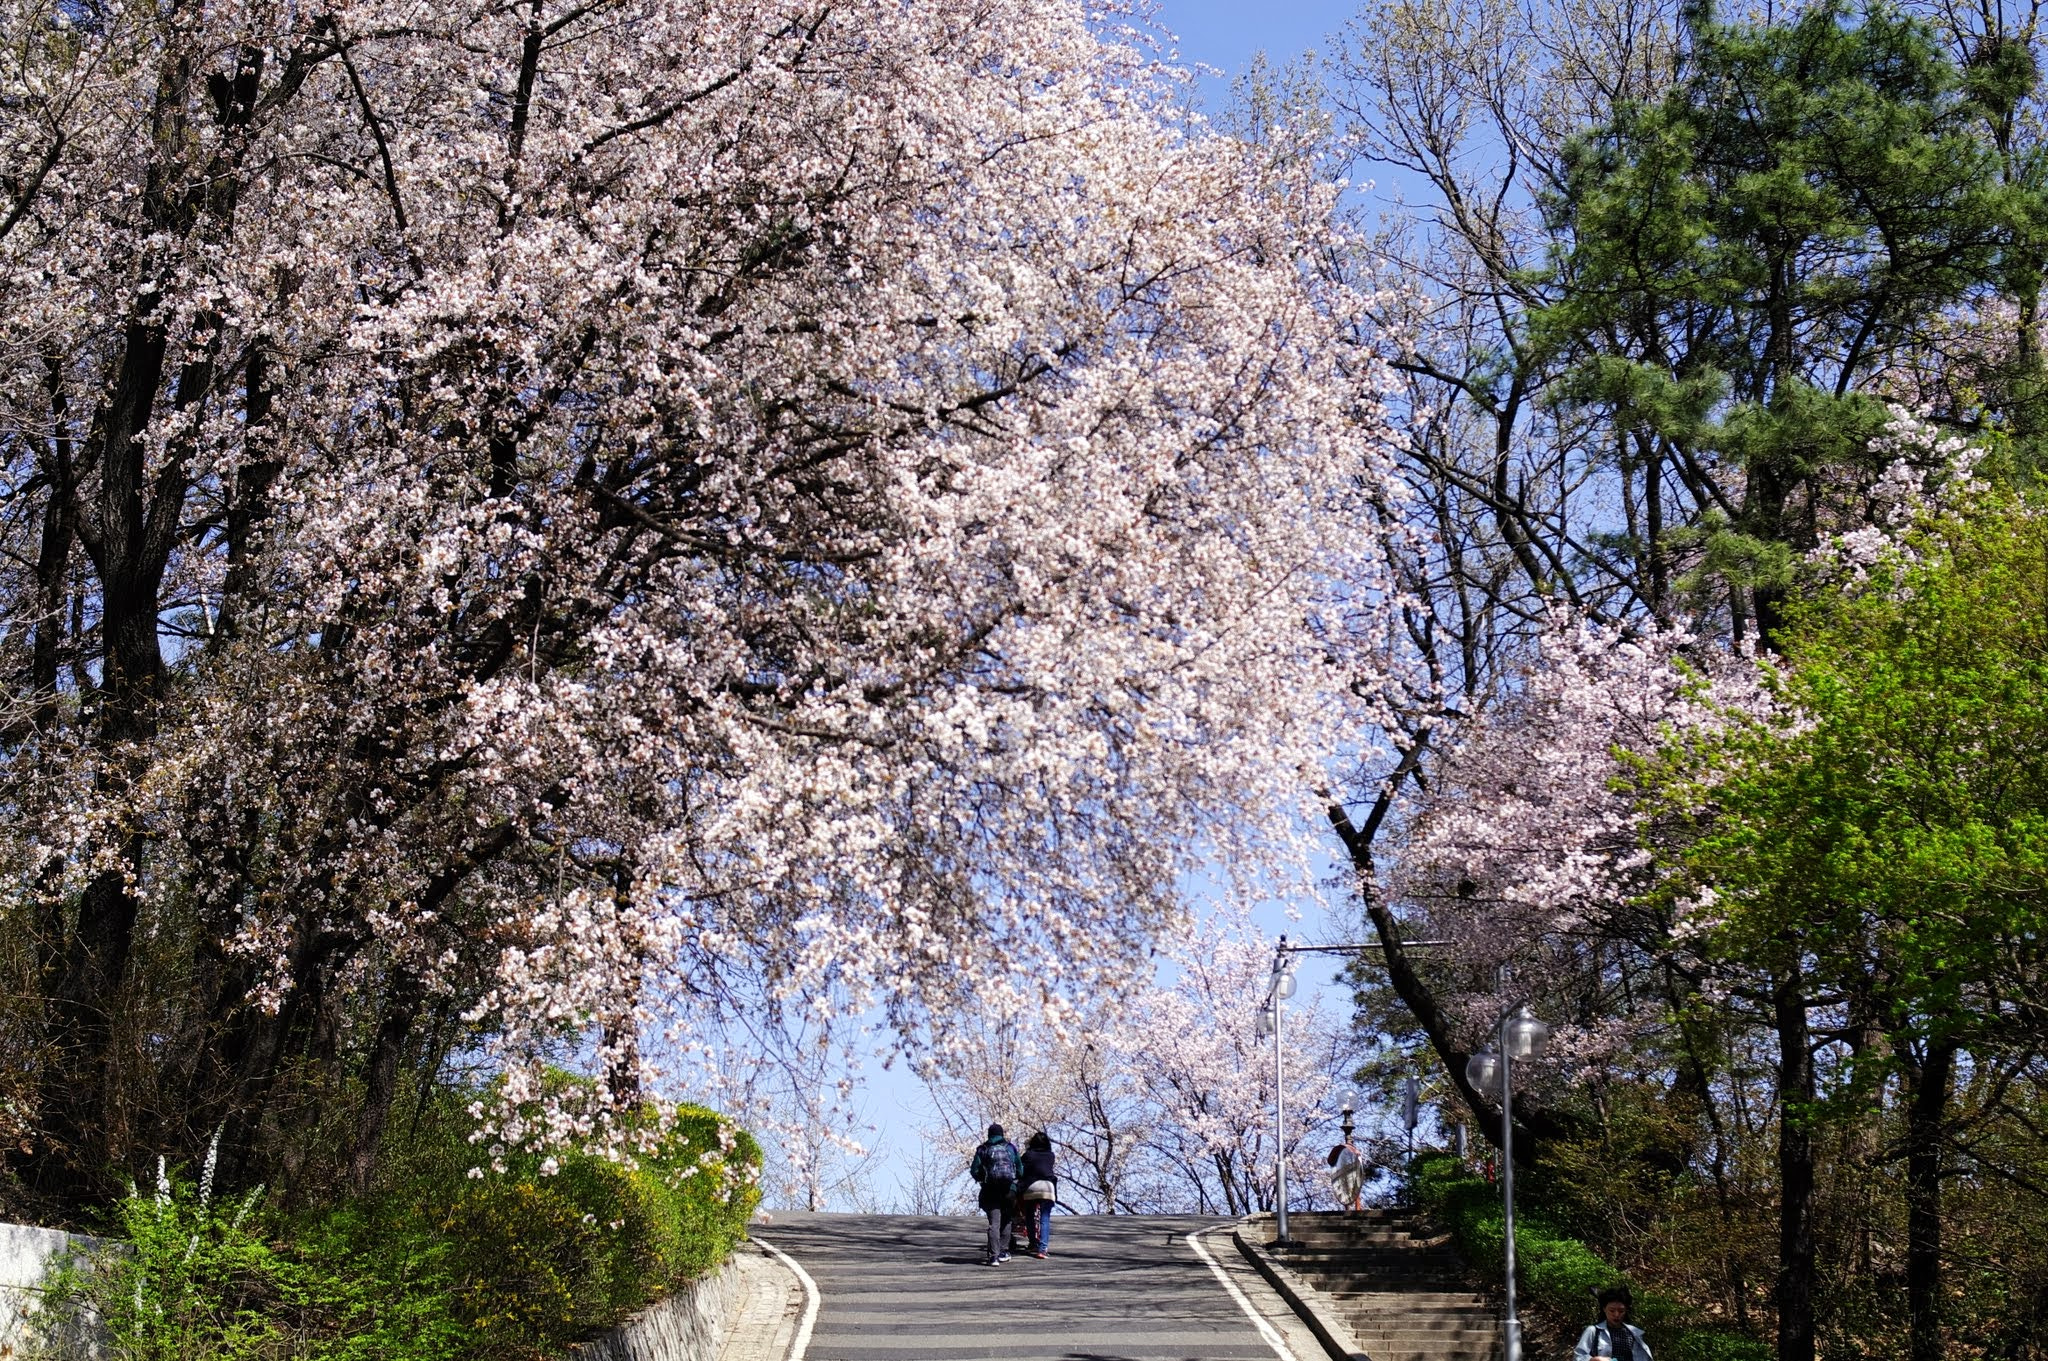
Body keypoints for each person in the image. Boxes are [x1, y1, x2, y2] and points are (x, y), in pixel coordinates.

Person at [968, 1122, 1021, 1266]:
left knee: (994, 1223)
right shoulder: (1010, 1148)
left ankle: (993, 1256)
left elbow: (974, 1170)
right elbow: (1020, 1169)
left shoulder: (983, 1149)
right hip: (1009, 1191)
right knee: (1007, 1220)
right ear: (1002, 1134)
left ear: (989, 1134)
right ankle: (1004, 1251)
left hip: (990, 1191)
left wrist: (981, 1179)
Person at [1575, 1287, 1652, 1361]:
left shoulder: (1634, 1333)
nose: (1616, 1315)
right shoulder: (1593, 1331)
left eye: (1621, 1311)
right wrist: (1594, 1359)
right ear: (1604, 1309)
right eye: (1612, 1310)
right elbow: (1578, 1357)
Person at [1016, 1131, 1058, 1258]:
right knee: (1044, 1218)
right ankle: (1043, 1248)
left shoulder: (1028, 1155)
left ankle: (1033, 1243)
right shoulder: (1051, 1156)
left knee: (1029, 1215)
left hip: (1032, 1187)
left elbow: (1021, 1171)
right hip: (1048, 1187)